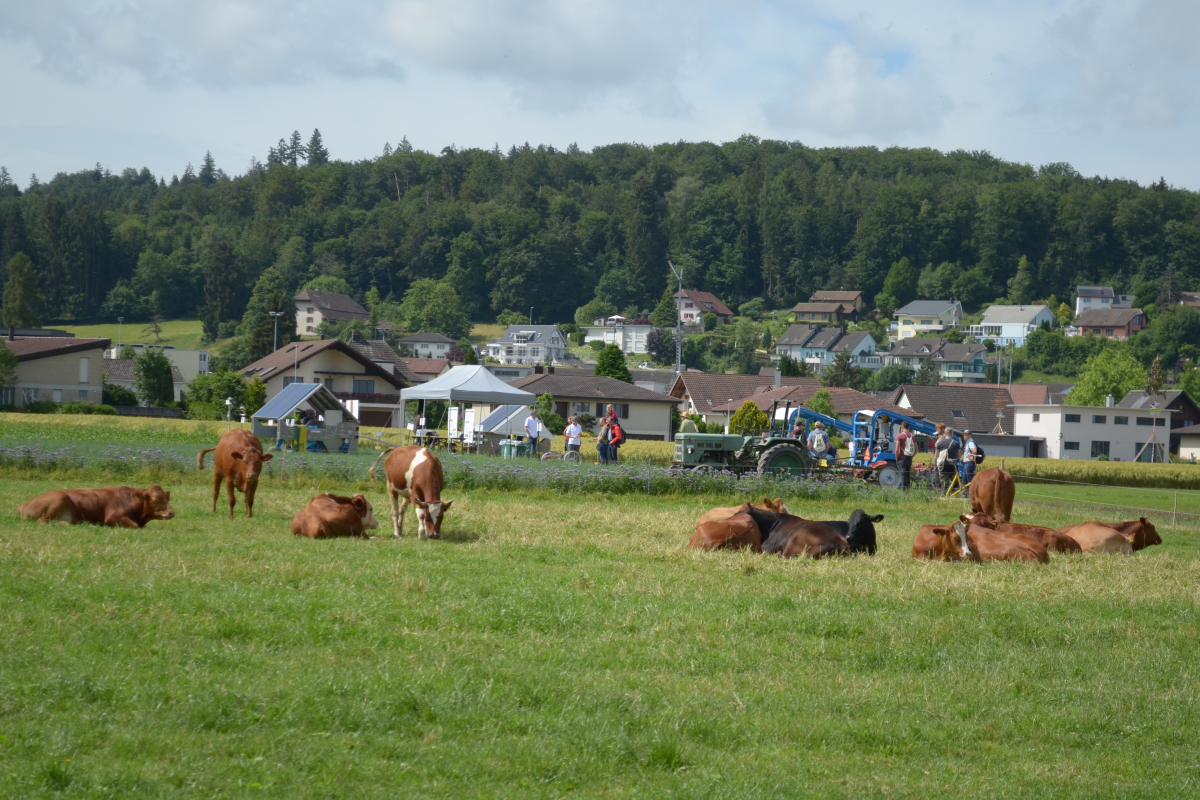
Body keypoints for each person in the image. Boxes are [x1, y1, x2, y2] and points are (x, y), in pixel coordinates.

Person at [895, 420, 915, 490]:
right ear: (908, 427)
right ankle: (908, 489)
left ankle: (903, 491)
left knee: (902, 474)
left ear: (902, 427)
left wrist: (897, 458)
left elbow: (897, 449)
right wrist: (911, 456)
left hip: (901, 457)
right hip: (909, 457)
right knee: (907, 473)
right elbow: (917, 449)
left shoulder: (899, 436)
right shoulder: (913, 436)